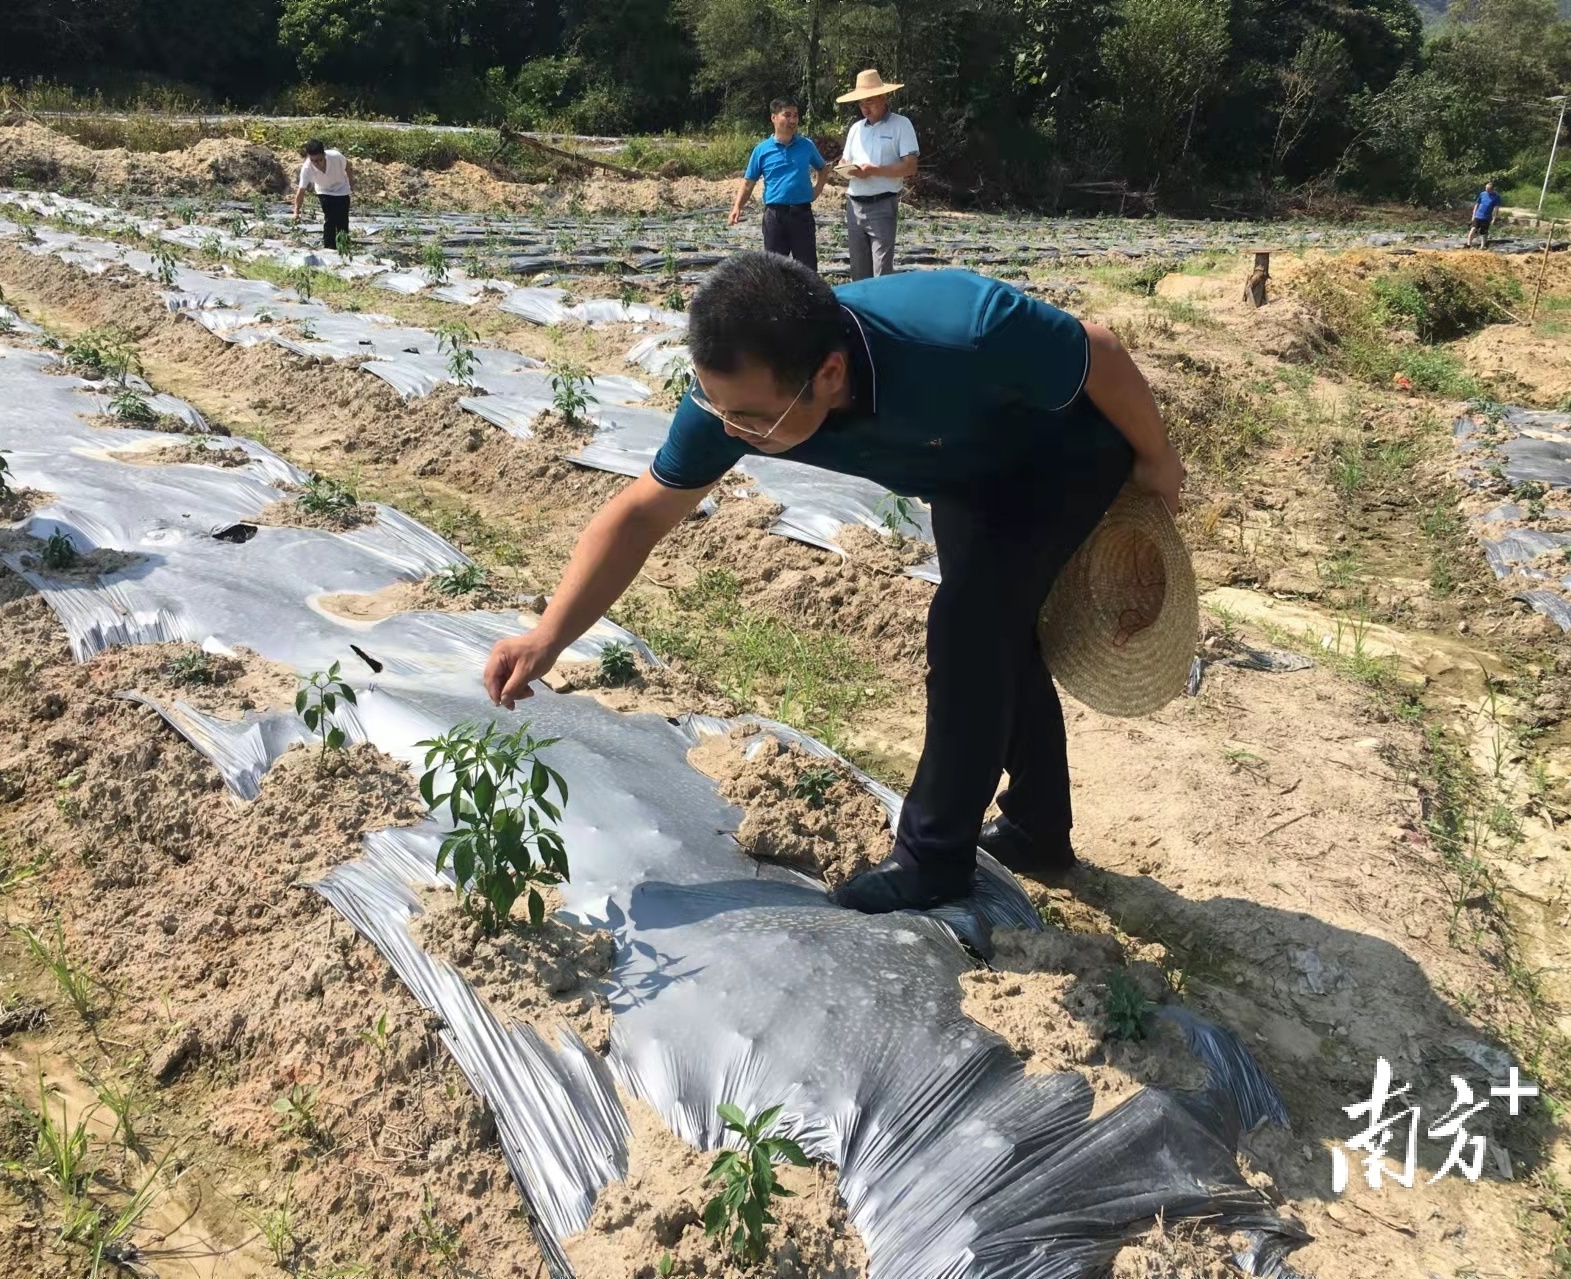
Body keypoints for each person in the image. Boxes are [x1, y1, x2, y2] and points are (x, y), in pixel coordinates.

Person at [483, 252, 1186, 915]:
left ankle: (934, 862)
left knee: (971, 623)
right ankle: (1037, 829)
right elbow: (639, 515)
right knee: (998, 628)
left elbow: (1100, 350)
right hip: (962, 468)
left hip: (1064, 452)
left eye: (753, 419)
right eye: (718, 407)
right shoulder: (737, 393)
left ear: (828, 373)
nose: (732, 429)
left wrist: (1158, 462)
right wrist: (548, 635)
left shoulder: (963, 329)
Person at [836, 70, 919, 281]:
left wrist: (875, 171)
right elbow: (843, 161)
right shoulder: (855, 129)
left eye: (870, 101)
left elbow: (910, 167)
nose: (865, 107)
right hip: (854, 205)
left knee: (882, 273)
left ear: (883, 98)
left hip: (882, 204)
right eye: (861, 103)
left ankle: (881, 312)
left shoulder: (901, 124)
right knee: (858, 271)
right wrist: (846, 169)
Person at [730, 98, 827, 273]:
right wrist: (738, 206)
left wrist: (816, 191)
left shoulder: (806, 145)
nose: (793, 120)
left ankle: (807, 301)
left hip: (802, 215)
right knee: (774, 271)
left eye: (796, 116)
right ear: (774, 118)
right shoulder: (762, 150)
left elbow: (822, 168)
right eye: (787, 115)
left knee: (807, 269)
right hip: (775, 216)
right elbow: (748, 182)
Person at [292, 139, 352, 251]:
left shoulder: (336, 156)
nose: (317, 164)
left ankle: (344, 247)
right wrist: (296, 211)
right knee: (330, 218)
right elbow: (301, 191)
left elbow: (348, 166)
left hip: (341, 189)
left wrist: (350, 183)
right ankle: (329, 249)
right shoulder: (307, 168)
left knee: (343, 219)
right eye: (313, 161)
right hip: (324, 191)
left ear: (324, 154)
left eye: (319, 160)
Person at [1468, 181, 1502, 249]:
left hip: (1487, 217)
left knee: (1483, 232)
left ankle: (1482, 246)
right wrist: (1473, 215)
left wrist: (1494, 218)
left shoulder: (1496, 197)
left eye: (1488, 188)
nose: (1486, 189)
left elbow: (1496, 208)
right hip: (1478, 215)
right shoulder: (1482, 194)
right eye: (1486, 188)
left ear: (1492, 189)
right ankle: (1469, 244)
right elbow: (1477, 204)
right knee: (1473, 228)